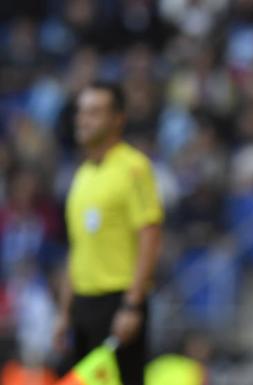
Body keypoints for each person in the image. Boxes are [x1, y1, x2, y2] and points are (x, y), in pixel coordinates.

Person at [53, 81, 164, 385]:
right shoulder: (82, 175)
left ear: (118, 118)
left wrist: (133, 304)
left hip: (117, 301)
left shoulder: (134, 168)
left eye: (94, 112)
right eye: (81, 112)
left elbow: (150, 234)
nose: (84, 119)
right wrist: (65, 312)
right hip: (83, 305)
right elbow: (77, 248)